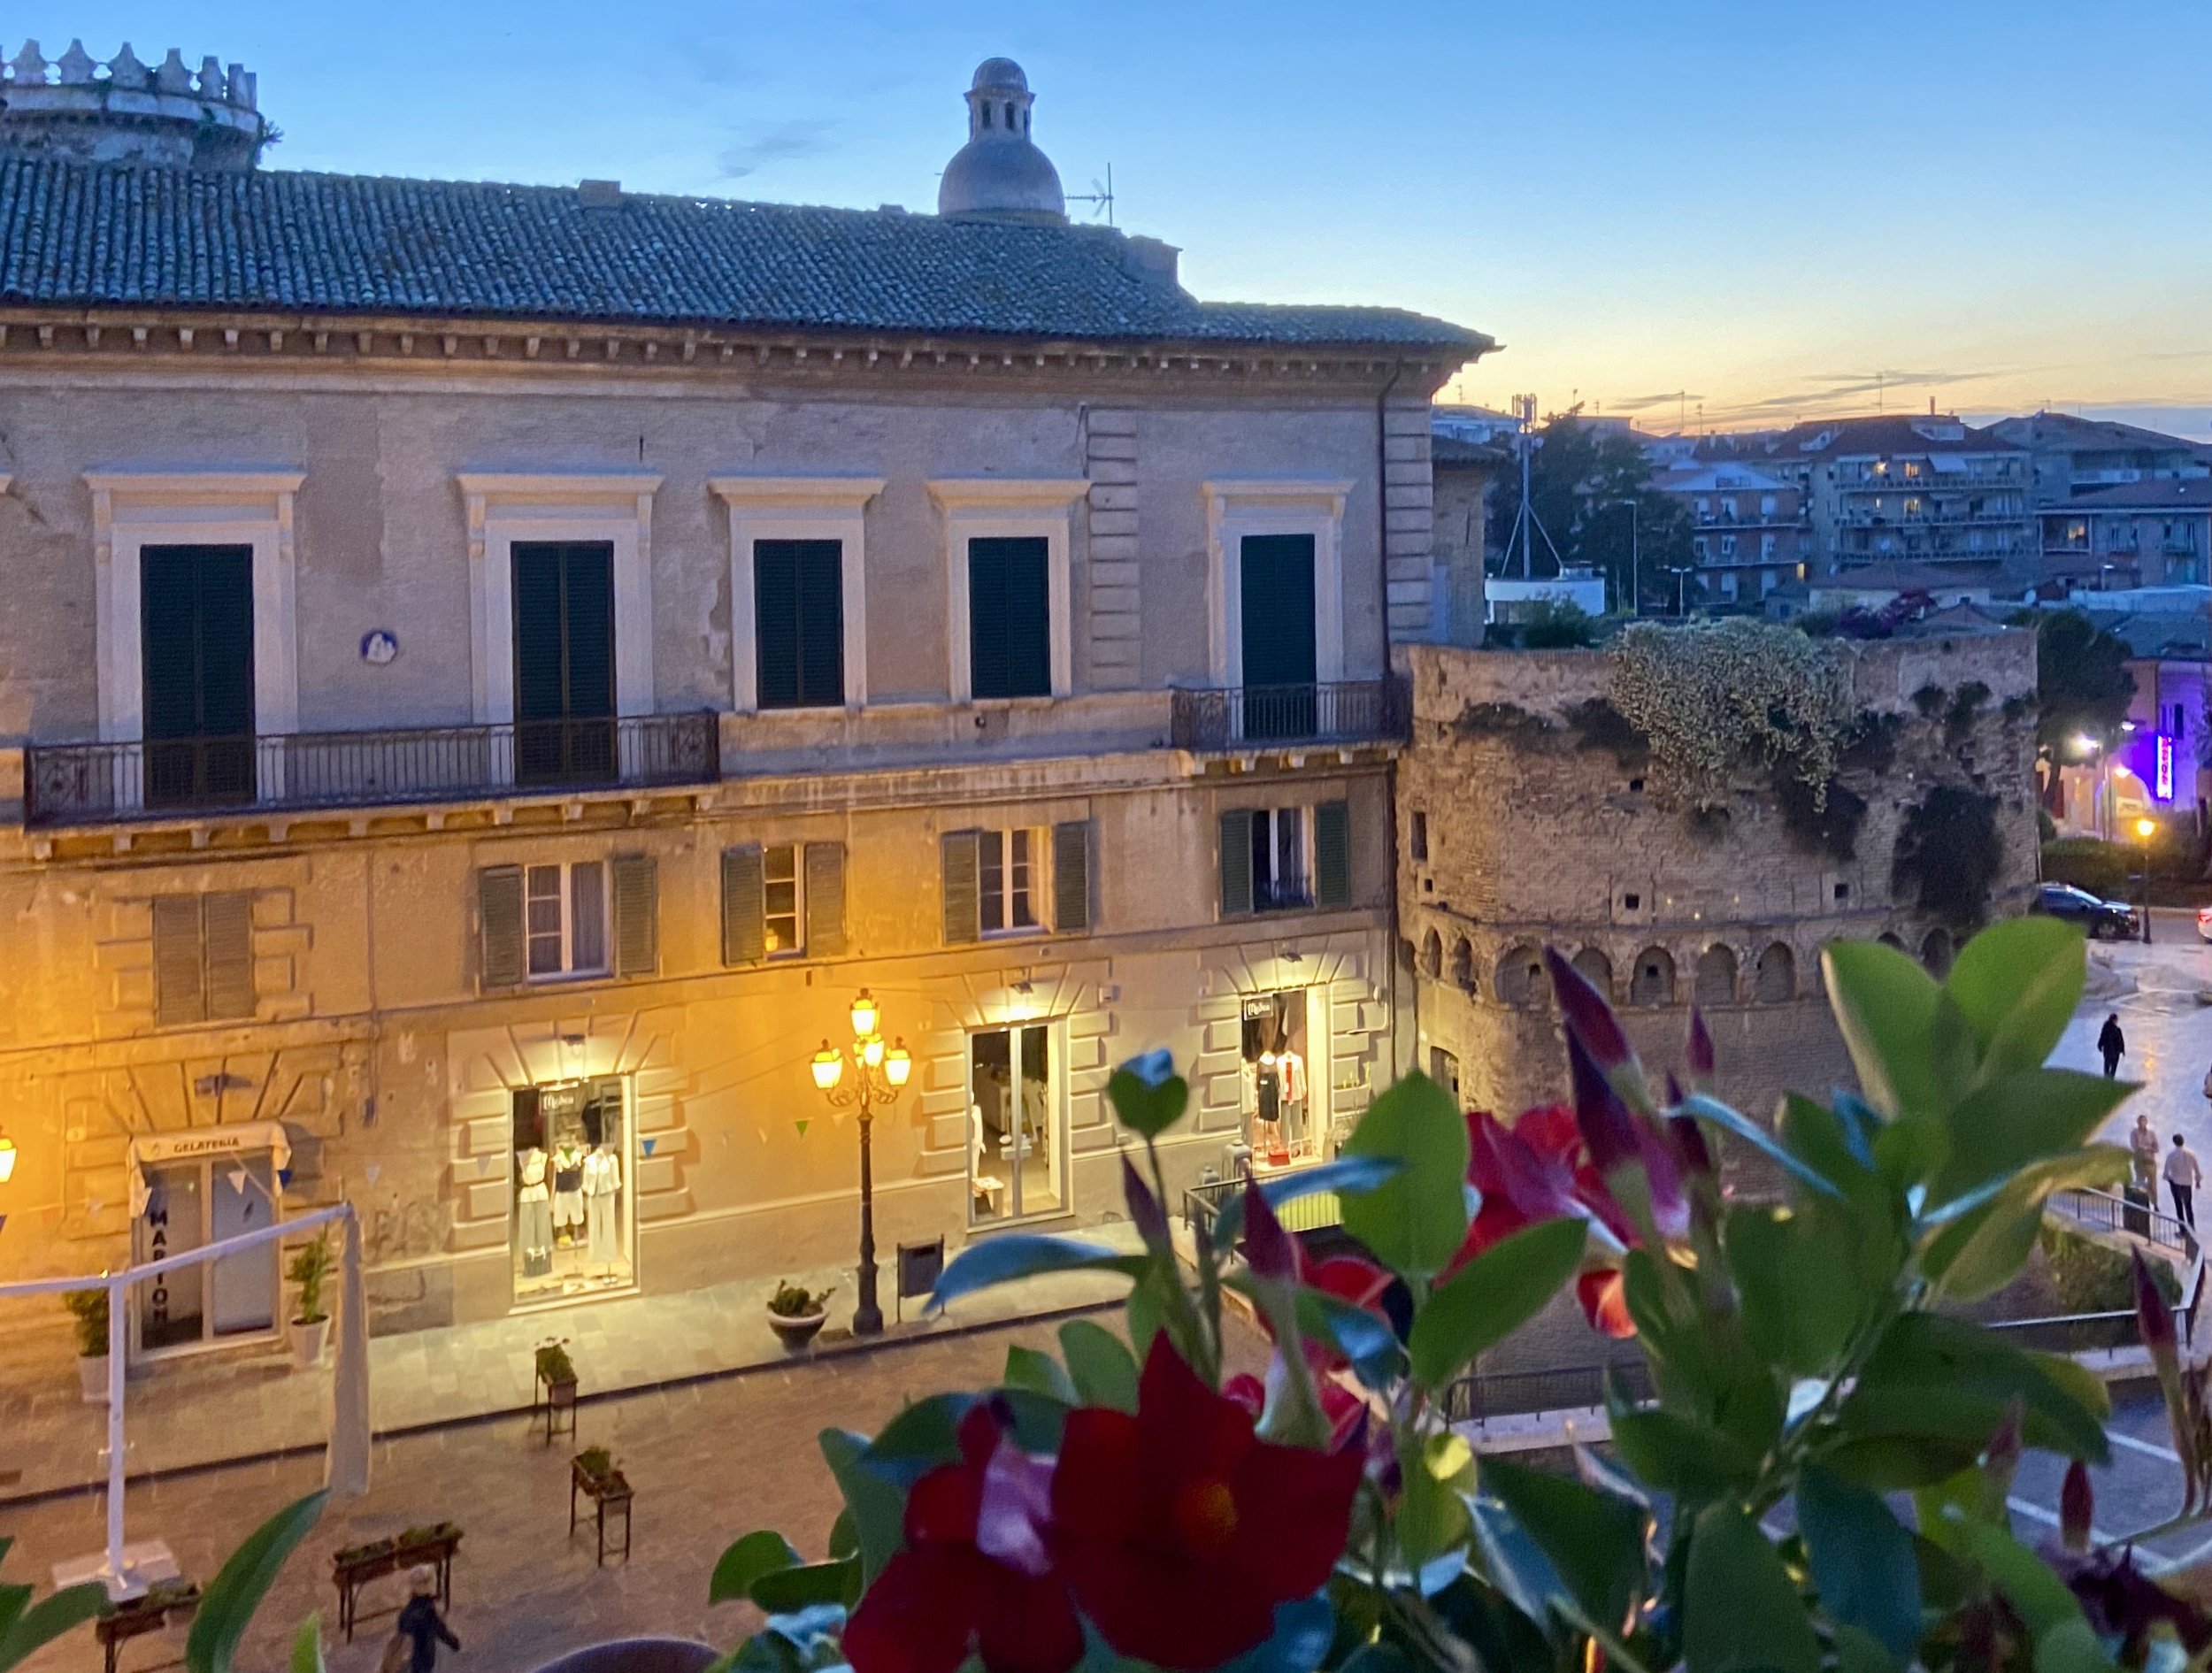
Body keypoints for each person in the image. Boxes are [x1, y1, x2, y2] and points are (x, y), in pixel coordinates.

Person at [387, 1566, 459, 1673]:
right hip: (423, 1659)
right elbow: (440, 1630)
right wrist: (454, 1643)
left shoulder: (406, 1612)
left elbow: (401, 1631)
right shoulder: (427, 1611)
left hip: (408, 1660)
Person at [2167, 1134, 2203, 1231]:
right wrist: (2198, 1181)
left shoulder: (2171, 1155)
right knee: (2188, 1206)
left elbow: (2166, 1173)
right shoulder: (2191, 1154)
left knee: (2179, 1206)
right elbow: (2197, 1170)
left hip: (2176, 1184)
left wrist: (2170, 1179)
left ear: (2174, 1142)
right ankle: (2192, 1229)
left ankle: (2182, 1230)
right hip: (2188, 1183)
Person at [2134, 1113, 2163, 1192]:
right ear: (2137, 1122)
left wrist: (2147, 1148)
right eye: (2140, 1121)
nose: (2141, 1123)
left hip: (2151, 1161)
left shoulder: (2151, 1134)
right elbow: (2136, 1146)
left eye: (2143, 1121)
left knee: (2153, 1184)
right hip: (2140, 1161)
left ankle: (2154, 1203)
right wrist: (2148, 1148)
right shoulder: (2135, 1133)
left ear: (2146, 1122)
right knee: (2140, 1182)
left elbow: (2156, 1148)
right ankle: (2141, 1201)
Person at [2099, 1013, 2127, 1078]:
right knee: (2113, 1066)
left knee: (2107, 1065)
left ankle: (2107, 1078)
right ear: (2114, 1020)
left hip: (2107, 1050)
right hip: (2115, 1051)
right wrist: (2122, 1050)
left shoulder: (2105, 1029)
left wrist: (2100, 1045)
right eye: (2116, 1020)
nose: (2117, 1021)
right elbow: (2121, 1041)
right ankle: (2111, 1078)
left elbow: (2102, 1038)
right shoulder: (2117, 1030)